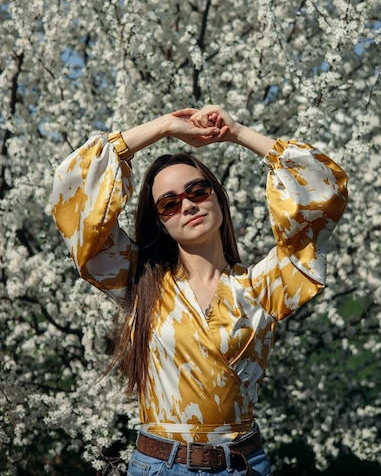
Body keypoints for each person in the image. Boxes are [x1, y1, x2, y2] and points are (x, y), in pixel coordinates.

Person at [51, 105, 348, 476]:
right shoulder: (137, 279)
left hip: (243, 465)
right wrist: (163, 127)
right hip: (160, 466)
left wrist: (237, 132)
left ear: (218, 197)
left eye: (198, 190)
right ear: (160, 222)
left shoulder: (263, 286)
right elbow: (73, 194)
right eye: (169, 203)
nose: (188, 204)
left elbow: (324, 190)